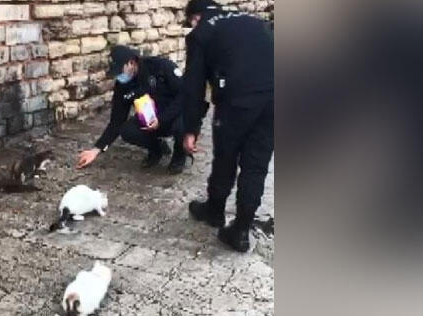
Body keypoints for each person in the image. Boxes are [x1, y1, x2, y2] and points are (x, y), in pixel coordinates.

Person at [180, 0, 274, 252]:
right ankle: (241, 230)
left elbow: (194, 85)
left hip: (237, 101)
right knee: (256, 163)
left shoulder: (201, 32)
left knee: (226, 155)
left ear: (195, 17)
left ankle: (214, 210)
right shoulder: (253, 20)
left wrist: (191, 128)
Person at [76, 45, 194, 174]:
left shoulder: (161, 67)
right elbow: (116, 121)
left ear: (131, 63)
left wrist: (162, 119)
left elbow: (185, 96)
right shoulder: (123, 85)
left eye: (120, 71)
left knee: (184, 122)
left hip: (173, 115)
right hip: (149, 121)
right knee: (127, 130)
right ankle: (156, 149)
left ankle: (179, 156)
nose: (119, 77)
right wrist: (96, 150)